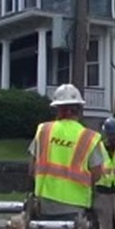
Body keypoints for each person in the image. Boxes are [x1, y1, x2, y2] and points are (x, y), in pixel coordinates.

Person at [28, 84, 104, 221]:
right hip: (75, 205)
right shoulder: (89, 137)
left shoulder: (44, 130)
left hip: (45, 204)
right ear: (79, 109)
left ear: (57, 109)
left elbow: (31, 169)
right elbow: (97, 174)